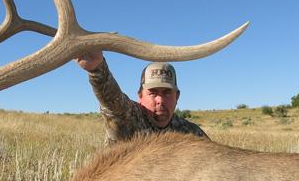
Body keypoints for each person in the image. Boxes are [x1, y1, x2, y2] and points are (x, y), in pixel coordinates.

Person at [76, 50, 208, 145]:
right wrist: (97, 69)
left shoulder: (192, 134)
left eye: (167, 93)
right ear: (140, 96)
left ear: (177, 96)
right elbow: (112, 101)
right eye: (153, 93)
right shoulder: (128, 116)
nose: (160, 100)